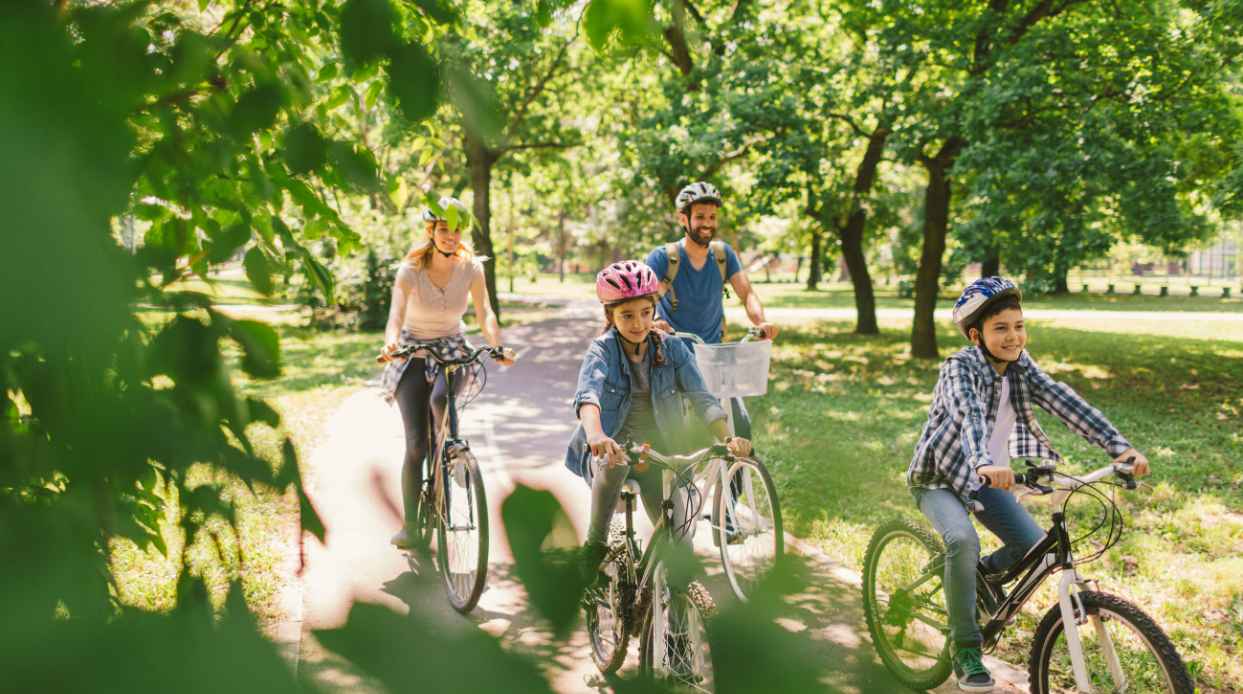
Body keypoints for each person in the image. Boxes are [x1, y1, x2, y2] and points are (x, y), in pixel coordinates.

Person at [906, 276, 1151, 692]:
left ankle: (973, 578)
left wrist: (1119, 448)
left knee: (1035, 548)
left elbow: (1064, 400)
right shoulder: (958, 369)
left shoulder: (1022, 366)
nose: (1013, 336)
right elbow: (968, 416)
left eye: (1018, 325)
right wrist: (985, 461)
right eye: (1000, 328)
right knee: (962, 541)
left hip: (986, 478)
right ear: (975, 334)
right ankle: (965, 648)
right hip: (941, 478)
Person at [566, 260, 752, 575]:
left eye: (645, 312)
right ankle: (595, 544)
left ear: (654, 310)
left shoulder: (673, 349)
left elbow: (701, 397)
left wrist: (727, 437)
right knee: (614, 462)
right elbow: (589, 396)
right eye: (626, 315)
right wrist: (596, 435)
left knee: (681, 549)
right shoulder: (602, 351)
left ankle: (678, 617)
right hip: (614, 448)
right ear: (610, 315)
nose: (638, 323)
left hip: (658, 454)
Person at [379, 196, 512, 549]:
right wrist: (390, 343)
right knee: (416, 444)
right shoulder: (410, 270)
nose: (450, 236)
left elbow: (485, 312)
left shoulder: (471, 268)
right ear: (431, 232)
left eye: (456, 230)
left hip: (452, 347)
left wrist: (497, 345)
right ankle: (411, 526)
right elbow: (395, 315)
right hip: (412, 351)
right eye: (443, 230)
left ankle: (452, 453)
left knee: (442, 399)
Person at [644, 181, 778, 441]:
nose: (707, 223)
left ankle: (735, 481)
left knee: (740, 427)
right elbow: (646, 303)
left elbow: (746, 292)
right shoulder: (664, 258)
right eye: (700, 217)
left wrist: (763, 322)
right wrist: (657, 321)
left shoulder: (722, 255)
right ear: (684, 218)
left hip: (714, 357)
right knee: (677, 436)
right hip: (674, 357)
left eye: (712, 217)